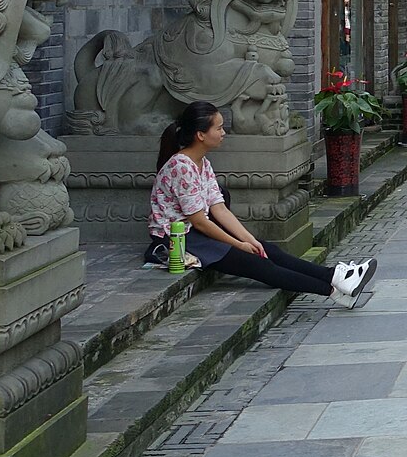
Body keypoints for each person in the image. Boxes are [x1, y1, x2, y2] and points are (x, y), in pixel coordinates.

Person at [147, 102, 374, 305]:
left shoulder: (202, 163)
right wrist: (238, 245)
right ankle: (334, 291)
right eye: (218, 128)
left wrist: (250, 240)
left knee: (266, 249)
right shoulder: (181, 166)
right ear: (200, 135)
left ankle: (336, 276)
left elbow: (219, 209)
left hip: (195, 233)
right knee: (259, 264)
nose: (223, 132)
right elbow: (200, 222)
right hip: (176, 239)